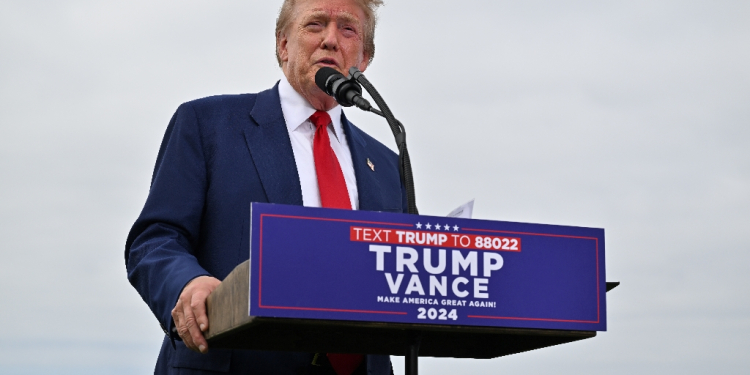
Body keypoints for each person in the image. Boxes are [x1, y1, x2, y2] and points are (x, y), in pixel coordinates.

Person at [125, 0, 404, 374]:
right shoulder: (207, 125)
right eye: (315, 25)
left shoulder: (387, 162)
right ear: (283, 44)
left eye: (348, 29)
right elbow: (155, 239)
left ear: (364, 57)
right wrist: (186, 284)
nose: (331, 40)